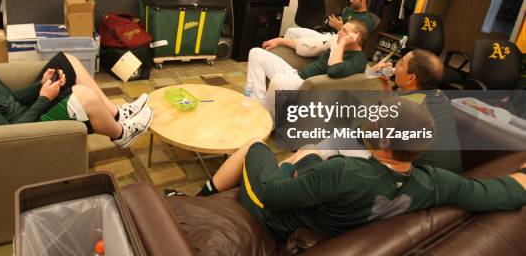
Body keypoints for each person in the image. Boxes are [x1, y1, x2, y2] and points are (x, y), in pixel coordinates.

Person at [194, 97, 526, 241]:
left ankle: (199, 197)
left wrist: (304, 162)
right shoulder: (433, 183)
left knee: (255, 145)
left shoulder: (344, 172)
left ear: (383, 143)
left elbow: (271, 195)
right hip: (340, 212)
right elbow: (489, 191)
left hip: (275, 219)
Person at [0, 16, 151, 148]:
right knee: (84, 96)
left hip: (24, 113)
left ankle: (117, 114)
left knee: (68, 61)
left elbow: (9, 99)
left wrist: (40, 85)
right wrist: (45, 97)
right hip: (26, 129)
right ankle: (121, 133)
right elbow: (9, 135)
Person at [246, 20, 368, 117]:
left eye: (344, 30)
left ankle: (265, 121)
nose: (339, 32)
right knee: (256, 53)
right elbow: (310, 46)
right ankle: (256, 105)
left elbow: (334, 70)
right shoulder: (336, 41)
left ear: (355, 38)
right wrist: (280, 40)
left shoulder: (359, 59)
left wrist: (342, 44)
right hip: (297, 75)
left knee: (278, 80)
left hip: (306, 85)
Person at [370, 49, 463, 173]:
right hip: (449, 178)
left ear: (411, 78)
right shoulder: (441, 97)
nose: (396, 64)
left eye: (401, 63)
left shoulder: (402, 107)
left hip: (422, 182)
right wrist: (384, 83)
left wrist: (369, 77)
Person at [284, 0, 375, 41]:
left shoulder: (366, 20)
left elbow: (355, 42)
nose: (351, 0)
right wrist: (331, 24)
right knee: (291, 31)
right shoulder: (348, 10)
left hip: (335, 42)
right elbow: (337, 26)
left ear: (364, 0)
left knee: (298, 37)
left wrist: (340, 28)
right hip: (328, 35)